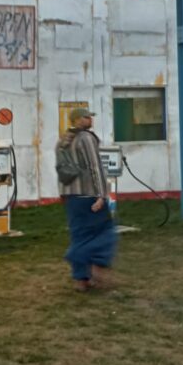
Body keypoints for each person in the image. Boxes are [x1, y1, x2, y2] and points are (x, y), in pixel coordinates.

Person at [56, 107, 117, 292]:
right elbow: (95, 167)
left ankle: (81, 279)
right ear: (79, 120)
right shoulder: (86, 139)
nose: (91, 119)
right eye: (87, 116)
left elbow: (60, 169)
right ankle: (86, 263)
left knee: (79, 235)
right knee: (103, 233)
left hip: (72, 196)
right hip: (89, 195)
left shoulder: (62, 141)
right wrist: (101, 194)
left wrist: (63, 193)